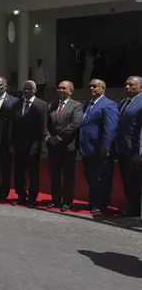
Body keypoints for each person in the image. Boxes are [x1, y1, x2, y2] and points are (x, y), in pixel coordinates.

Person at [78, 79, 118, 214]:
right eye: (89, 86)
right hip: (87, 149)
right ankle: (93, 202)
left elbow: (110, 128)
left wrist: (105, 147)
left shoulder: (109, 105)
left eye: (95, 86)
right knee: (91, 177)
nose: (91, 88)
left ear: (103, 89)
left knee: (102, 178)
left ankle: (101, 204)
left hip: (100, 149)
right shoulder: (87, 105)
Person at [44, 80, 83, 212]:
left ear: (71, 91)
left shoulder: (76, 106)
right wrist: (49, 137)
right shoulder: (51, 106)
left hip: (67, 146)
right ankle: (55, 200)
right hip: (53, 147)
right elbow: (46, 125)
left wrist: (59, 138)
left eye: (64, 88)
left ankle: (67, 201)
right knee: (54, 175)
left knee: (68, 176)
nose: (60, 90)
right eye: (59, 88)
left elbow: (75, 124)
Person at [10, 80, 48, 208]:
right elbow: (12, 125)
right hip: (18, 146)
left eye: (29, 89)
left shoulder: (42, 105)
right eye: (25, 89)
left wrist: (37, 146)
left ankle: (32, 198)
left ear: (35, 90)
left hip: (33, 147)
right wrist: (12, 143)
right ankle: (21, 195)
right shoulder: (17, 104)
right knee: (19, 173)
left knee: (33, 173)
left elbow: (42, 128)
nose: (27, 91)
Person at [115, 76, 142, 217]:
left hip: (136, 150)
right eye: (126, 85)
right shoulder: (122, 103)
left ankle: (136, 209)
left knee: (135, 181)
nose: (127, 87)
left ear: (140, 88)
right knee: (127, 180)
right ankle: (132, 206)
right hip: (123, 149)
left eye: (131, 85)